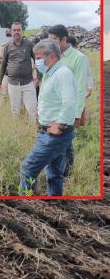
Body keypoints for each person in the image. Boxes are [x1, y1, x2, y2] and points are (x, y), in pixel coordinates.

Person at [20, 39, 76, 196]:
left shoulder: (62, 74)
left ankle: (25, 205)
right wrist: (41, 110)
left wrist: (60, 126)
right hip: (48, 131)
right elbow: (53, 98)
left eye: (38, 57)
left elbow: (69, 102)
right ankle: (54, 200)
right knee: (54, 172)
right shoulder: (50, 73)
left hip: (55, 135)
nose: (36, 61)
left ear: (51, 56)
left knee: (27, 168)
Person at [48, 25, 89, 177]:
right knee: (60, 141)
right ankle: (61, 171)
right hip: (53, 108)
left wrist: (77, 114)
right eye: (49, 40)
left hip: (69, 109)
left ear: (64, 39)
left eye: (54, 40)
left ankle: (66, 174)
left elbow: (80, 89)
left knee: (65, 141)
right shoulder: (53, 56)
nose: (51, 44)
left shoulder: (78, 58)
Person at [0, 22, 38, 121]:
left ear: (22, 31)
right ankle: (16, 129)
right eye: (14, 30)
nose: (16, 32)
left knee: (32, 109)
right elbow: (3, 65)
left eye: (18, 30)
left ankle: (33, 131)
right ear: (11, 32)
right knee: (15, 110)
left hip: (28, 83)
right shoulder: (7, 46)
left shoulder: (29, 45)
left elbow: (37, 60)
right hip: (13, 83)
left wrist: (38, 77)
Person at [0, 29, 11, 108]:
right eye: (7, 35)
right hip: (7, 74)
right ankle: (1, 112)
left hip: (18, 76)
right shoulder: (4, 45)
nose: (9, 37)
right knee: (4, 95)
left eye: (9, 35)